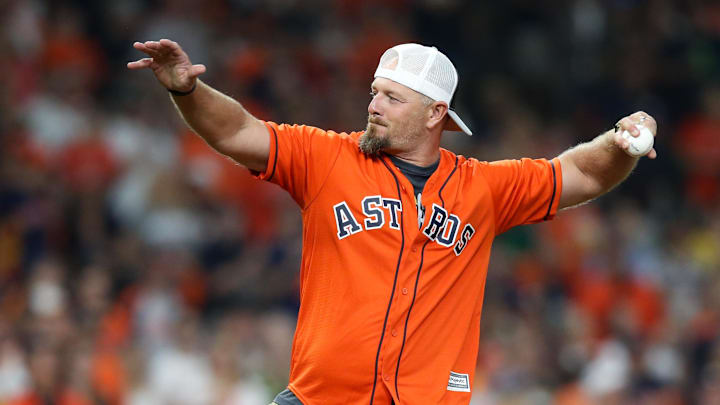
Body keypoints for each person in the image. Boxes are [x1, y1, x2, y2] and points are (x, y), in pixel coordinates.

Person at [128, 39, 658, 405]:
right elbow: (238, 132)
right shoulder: (325, 157)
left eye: (392, 97)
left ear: (435, 115)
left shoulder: (484, 188)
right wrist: (187, 90)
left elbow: (580, 175)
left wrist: (620, 143)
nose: (374, 105)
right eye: (375, 92)